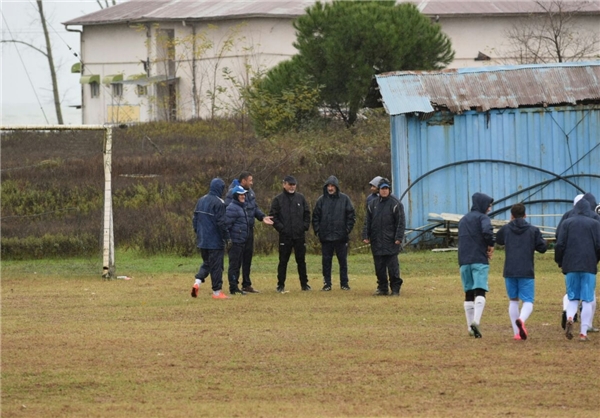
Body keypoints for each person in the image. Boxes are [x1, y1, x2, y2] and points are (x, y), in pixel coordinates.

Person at [495, 203, 548, 340]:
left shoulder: (506, 229)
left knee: (513, 300)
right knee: (528, 301)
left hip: (510, 270)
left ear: (511, 215)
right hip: (526, 270)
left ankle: (516, 333)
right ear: (525, 215)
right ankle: (522, 319)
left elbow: (498, 240)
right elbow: (542, 248)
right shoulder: (533, 230)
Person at [555, 197, 600, 342]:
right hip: (588, 265)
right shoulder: (595, 223)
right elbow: (599, 245)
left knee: (572, 297)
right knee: (587, 299)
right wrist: (596, 260)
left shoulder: (567, 223)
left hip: (570, 265)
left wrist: (559, 261)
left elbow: (560, 244)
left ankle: (569, 317)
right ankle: (583, 332)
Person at [224, 171, 273, 293]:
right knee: (236, 260)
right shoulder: (233, 193)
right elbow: (229, 213)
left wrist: (262, 217)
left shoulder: (250, 193)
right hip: (237, 233)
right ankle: (234, 285)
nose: (252, 182)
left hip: (248, 229)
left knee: (247, 257)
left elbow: (254, 208)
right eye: (250, 180)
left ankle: (246, 284)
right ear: (243, 181)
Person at [457, 192, 495, 338]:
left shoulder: (463, 219)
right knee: (480, 291)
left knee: (468, 293)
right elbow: (487, 232)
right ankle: (476, 321)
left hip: (463, 260)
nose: (490, 209)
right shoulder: (483, 218)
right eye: (489, 205)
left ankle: (469, 327)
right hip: (479, 259)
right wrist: (490, 244)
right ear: (483, 205)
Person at [312, 175, 356, 291]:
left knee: (343, 262)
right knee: (326, 262)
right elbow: (315, 217)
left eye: (332, 186)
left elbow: (351, 216)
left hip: (341, 237)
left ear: (336, 187)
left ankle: (344, 284)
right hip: (326, 238)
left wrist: (346, 230)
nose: (330, 188)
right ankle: (327, 284)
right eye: (328, 186)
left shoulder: (345, 199)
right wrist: (318, 231)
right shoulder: (321, 200)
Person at [362, 178, 405, 296]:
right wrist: (366, 235)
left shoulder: (396, 204)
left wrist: (398, 238)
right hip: (376, 241)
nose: (384, 191)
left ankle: (395, 289)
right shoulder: (372, 204)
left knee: (393, 268)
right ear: (379, 190)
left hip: (391, 241)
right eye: (382, 189)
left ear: (389, 190)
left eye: (386, 189)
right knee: (379, 267)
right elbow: (368, 221)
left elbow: (400, 223)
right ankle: (382, 288)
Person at [269, 175, 311, 292]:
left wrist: (304, 227)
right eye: (290, 184)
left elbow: (307, 214)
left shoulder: (300, 198)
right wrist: (282, 229)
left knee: (301, 261)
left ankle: (304, 284)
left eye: (294, 185)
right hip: (285, 236)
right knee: (283, 261)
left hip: (299, 236)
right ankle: (280, 284)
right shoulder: (278, 200)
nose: (292, 187)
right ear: (284, 184)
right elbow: (273, 217)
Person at [191, 178, 230, 300]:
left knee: (207, 263)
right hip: (215, 241)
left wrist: (198, 232)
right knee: (217, 266)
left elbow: (195, 219)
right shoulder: (220, 203)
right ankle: (217, 292)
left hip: (202, 240)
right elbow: (221, 223)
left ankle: (197, 282)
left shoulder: (201, 200)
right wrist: (227, 238)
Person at [225, 186, 250, 295]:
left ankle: (235, 285)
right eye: (240, 195)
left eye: (244, 194)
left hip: (241, 240)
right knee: (234, 265)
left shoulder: (241, 207)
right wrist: (229, 239)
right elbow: (226, 225)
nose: (243, 196)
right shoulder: (232, 208)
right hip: (235, 241)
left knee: (238, 264)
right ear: (236, 196)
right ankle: (233, 287)